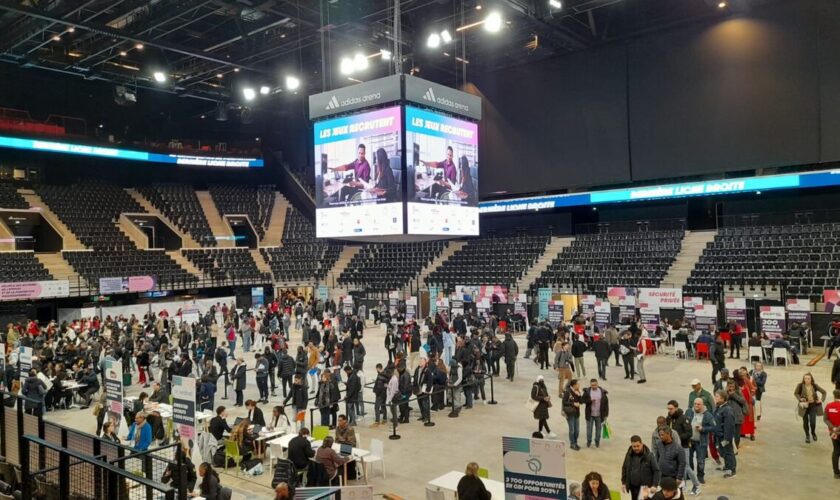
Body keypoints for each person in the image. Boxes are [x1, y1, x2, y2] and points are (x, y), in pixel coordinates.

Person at [666, 400, 700, 495]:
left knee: (686, 466)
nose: (669, 410)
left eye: (671, 409)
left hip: (684, 446)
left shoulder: (684, 418)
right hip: (673, 447)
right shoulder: (669, 418)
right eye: (668, 409)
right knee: (679, 467)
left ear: (676, 408)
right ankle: (683, 485)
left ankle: (697, 485)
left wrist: (677, 438)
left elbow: (689, 433)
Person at [684, 397, 715, 485]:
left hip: (701, 442)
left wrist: (703, 428)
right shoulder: (689, 411)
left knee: (701, 460)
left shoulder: (708, 415)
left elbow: (713, 427)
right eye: (695, 404)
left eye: (698, 404)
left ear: (703, 405)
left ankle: (700, 477)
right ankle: (690, 475)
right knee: (688, 458)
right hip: (690, 441)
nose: (696, 406)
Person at [621, 435, 660, 500]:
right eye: (634, 446)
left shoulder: (649, 456)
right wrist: (623, 482)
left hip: (645, 488)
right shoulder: (629, 455)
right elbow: (624, 467)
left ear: (642, 444)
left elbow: (656, 471)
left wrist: (654, 485)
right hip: (633, 487)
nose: (636, 448)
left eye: (638, 446)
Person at [794, 372, 828, 443]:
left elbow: (824, 392)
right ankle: (807, 435)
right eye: (805, 378)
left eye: (808, 379)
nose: (807, 380)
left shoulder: (815, 386)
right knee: (805, 422)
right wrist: (800, 399)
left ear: (811, 379)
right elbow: (796, 393)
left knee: (813, 422)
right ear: (803, 379)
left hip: (813, 406)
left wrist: (821, 400)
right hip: (804, 406)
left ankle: (813, 432)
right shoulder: (800, 385)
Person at [655, 426, 686, 492]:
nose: (661, 437)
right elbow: (657, 458)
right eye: (660, 435)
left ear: (668, 434)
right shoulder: (659, 444)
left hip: (673, 478)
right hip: (662, 477)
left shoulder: (678, 448)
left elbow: (682, 463)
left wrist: (679, 478)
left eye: (662, 435)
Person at [713, 390, 737, 478]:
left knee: (728, 452)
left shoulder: (727, 410)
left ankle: (732, 470)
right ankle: (727, 466)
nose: (715, 398)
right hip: (719, 436)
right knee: (723, 452)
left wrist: (727, 439)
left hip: (725, 437)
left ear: (723, 398)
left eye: (717, 396)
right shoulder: (718, 407)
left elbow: (729, 425)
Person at [582, 378, 609, 448]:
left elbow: (606, 404)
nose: (593, 386)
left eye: (595, 385)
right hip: (590, 414)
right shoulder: (587, 391)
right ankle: (589, 441)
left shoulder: (602, 392)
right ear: (590, 385)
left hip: (599, 415)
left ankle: (597, 441)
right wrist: (590, 400)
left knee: (598, 430)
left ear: (597, 384)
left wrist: (606, 414)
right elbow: (582, 400)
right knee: (589, 430)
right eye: (592, 385)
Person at [562, 379, 583, 450]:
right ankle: (572, 444)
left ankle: (575, 442)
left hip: (577, 413)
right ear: (574, 385)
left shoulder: (577, 391)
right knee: (572, 430)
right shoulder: (567, 391)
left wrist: (579, 395)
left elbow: (581, 402)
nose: (579, 385)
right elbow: (564, 402)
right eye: (578, 384)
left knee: (577, 430)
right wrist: (573, 403)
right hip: (570, 413)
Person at [823, 389, 840, 478]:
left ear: (834, 396)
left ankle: (836, 473)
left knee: (836, 451)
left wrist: (833, 429)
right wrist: (837, 430)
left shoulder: (829, 406)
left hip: (832, 433)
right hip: (837, 432)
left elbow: (825, 419)